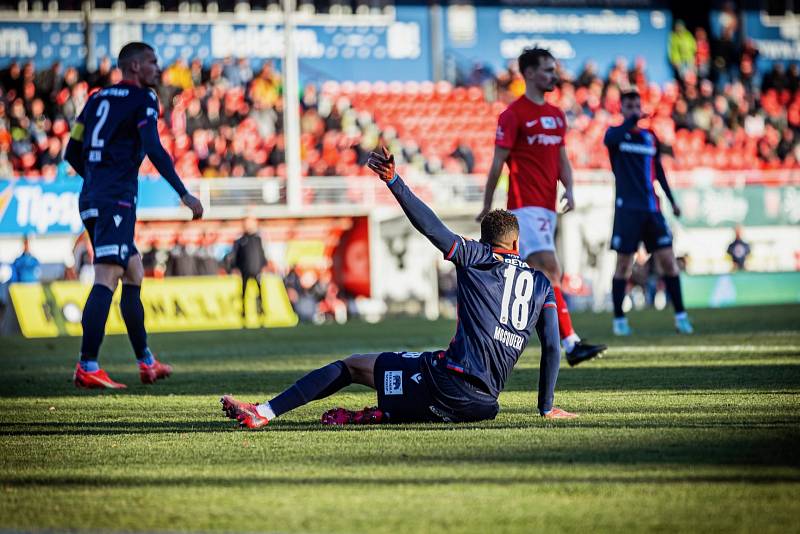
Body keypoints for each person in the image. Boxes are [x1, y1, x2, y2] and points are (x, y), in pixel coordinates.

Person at [220, 147, 576, 429]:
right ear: (516, 244)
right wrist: (545, 408)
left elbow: (433, 229)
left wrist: (395, 182)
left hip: (447, 384)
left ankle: (264, 411)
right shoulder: (542, 285)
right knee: (411, 371)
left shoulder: (476, 256)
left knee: (353, 366)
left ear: (487, 241)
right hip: (485, 407)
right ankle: (384, 412)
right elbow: (551, 349)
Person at [64, 42, 204, 389]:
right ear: (136, 66)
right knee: (107, 275)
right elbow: (154, 147)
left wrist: (98, 179)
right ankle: (87, 364)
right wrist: (183, 192)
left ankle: (146, 362)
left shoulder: (96, 99)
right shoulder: (143, 99)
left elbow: (71, 150)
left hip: (94, 196)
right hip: (114, 201)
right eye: (153, 63)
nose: (158, 68)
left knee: (134, 271)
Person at [477, 47, 606, 366]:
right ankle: (570, 343)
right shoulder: (512, 114)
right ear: (530, 73)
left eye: (554, 70)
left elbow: (561, 158)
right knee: (549, 271)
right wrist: (487, 204)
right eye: (547, 70)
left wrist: (571, 188)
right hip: (523, 207)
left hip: (546, 209)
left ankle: (491, 340)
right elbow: (497, 164)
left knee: (521, 277)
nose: (553, 75)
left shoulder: (557, 115)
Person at [604, 90, 693, 336]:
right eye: (629, 105)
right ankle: (619, 320)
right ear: (621, 108)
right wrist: (632, 120)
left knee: (669, 262)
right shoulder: (615, 135)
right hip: (627, 211)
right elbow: (611, 140)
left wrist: (672, 200)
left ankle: (681, 317)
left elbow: (660, 172)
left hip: (653, 210)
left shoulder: (649, 137)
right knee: (623, 265)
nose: (633, 108)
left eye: (636, 104)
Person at [231, 216, 268, 323]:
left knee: (260, 294)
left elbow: (261, 254)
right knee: (244, 294)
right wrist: (235, 268)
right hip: (245, 271)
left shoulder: (258, 239)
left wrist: (263, 266)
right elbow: (235, 256)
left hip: (257, 270)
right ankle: (244, 315)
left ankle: (261, 313)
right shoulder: (240, 240)